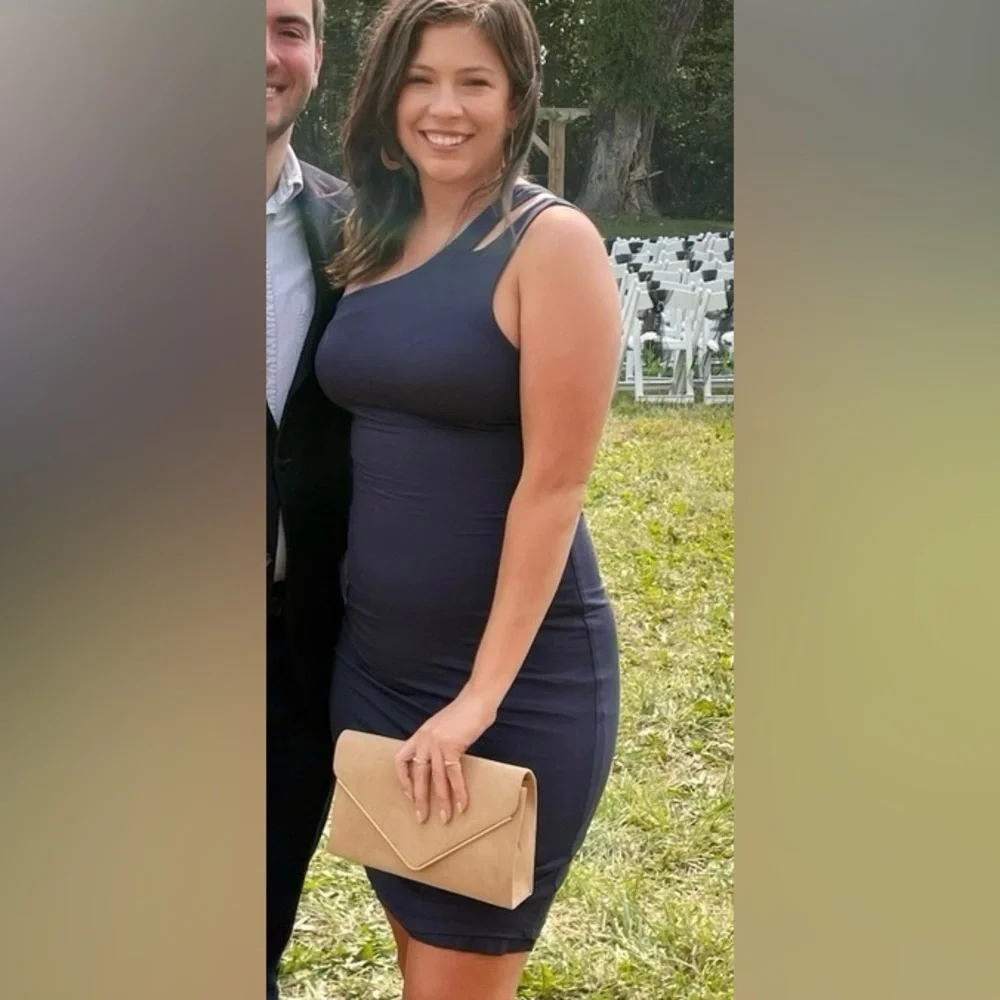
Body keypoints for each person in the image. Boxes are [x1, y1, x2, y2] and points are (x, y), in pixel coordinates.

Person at [315, 1, 622, 997]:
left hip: (505, 693)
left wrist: (476, 701)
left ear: (516, 98)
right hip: (375, 677)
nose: (443, 107)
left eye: (474, 82)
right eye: (420, 79)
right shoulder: (372, 236)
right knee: (419, 956)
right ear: (386, 94)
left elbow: (554, 486)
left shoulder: (550, 242)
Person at [265, 1, 352, 997]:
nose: (264, 53)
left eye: (289, 27)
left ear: (318, 54)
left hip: (295, 657)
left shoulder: (359, 227)